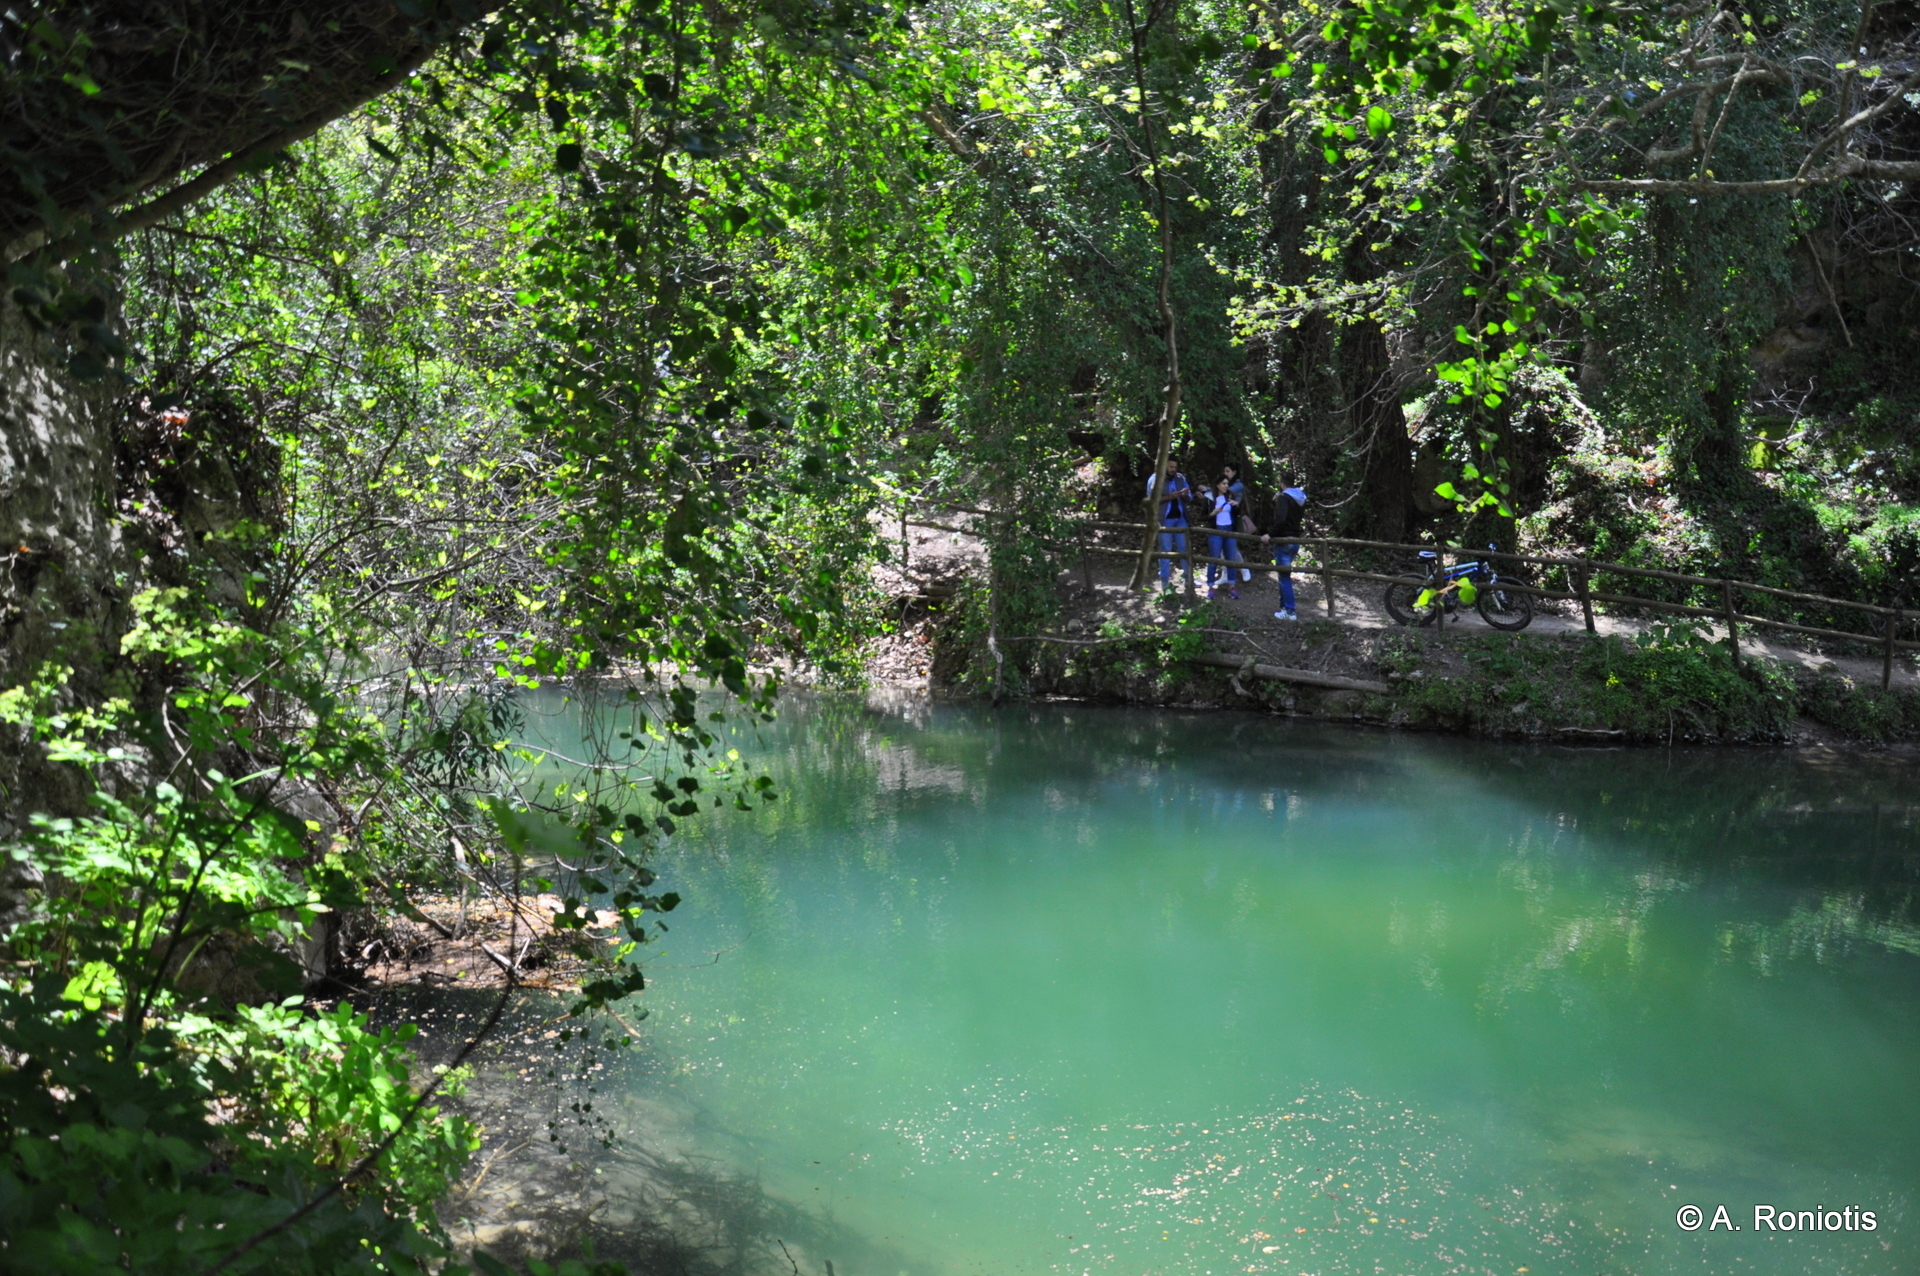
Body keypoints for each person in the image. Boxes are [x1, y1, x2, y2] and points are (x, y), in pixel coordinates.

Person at [1260, 471, 1308, 620]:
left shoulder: (1284, 498)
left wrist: (1270, 534)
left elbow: (1281, 520)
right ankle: (1284, 607)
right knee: (1284, 575)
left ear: (1282, 483)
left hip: (1284, 539)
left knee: (1284, 576)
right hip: (1295, 539)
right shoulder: (1299, 498)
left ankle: (1289, 610)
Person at [1145, 458, 1193, 592]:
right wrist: (1170, 497)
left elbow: (1190, 496)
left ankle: (1188, 579)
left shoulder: (1180, 478)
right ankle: (1165, 582)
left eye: (1175, 467)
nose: (1173, 469)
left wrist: (1184, 495)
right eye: (1171, 467)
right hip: (1164, 519)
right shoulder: (1154, 479)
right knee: (1165, 549)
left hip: (1180, 518)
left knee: (1184, 548)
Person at [1205, 476, 1243, 599]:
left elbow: (1236, 514)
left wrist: (1237, 506)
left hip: (1229, 530)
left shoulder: (1230, 496)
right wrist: (1213, 513)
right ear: (1217, 485)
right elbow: (1204, 517)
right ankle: (1211, 587)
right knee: (1214, 559)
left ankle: (1232, 586)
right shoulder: (1210, 498)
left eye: (1227, 483)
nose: (1226, 486)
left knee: (1230, 559)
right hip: (1216, 531)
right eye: (1223, 483)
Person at [1221, 463, 1253, 584]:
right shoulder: (1228, 484)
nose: (1226, 473)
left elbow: (1223, 490)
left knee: (1231, 546)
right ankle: (1225, 573)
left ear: (1234, 472)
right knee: (1222, 547)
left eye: (1228, 471)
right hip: (1223, 518)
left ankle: (1243, 568)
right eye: (1225, 471)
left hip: (1233, 519)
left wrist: (1207, 489)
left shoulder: (1237, 485)